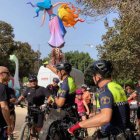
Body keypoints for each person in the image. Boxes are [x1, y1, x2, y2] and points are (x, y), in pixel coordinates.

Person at [68, 60, 131, 139]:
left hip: (113, 134)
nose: (93, 78)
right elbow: (115, 110)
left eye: (93, 75)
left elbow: (105, 117)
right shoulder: (117, 87)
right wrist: (93, 116)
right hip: (125, 133)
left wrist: (78, 125)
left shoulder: (105, 90)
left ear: (98, 77)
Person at [39, 62, 77, 139]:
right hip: (69, 112)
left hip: (64, 113)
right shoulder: (69, 79)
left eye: (58, 71)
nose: (57, 73)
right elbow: (55, 70)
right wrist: (47, 66)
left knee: (47, 132)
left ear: (62, 72)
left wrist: (53, 96)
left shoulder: (65, 84)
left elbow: (60, 103)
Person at [0, 66, 12, 140]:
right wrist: (9, 125)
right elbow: (4, 107)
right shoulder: (2, 87)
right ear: (1, 74)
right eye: (7, 73)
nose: (9, 75)